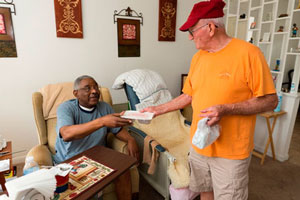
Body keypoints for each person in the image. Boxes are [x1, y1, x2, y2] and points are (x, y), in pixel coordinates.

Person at [141, 1, 278, 200]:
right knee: (205, 192)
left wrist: (226, 109)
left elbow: (270, 101)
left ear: (211, 28)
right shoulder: (198, 58)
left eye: (192, 31)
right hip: (200, 145)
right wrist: (157, 109)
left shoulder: (249, 54)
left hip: (231, 153)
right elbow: (188, 95)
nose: (189, 37)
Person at [53, 75, 139, 200]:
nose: (94, 91)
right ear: (76, 93)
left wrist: (131, 139)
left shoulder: (104, 107)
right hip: (71, 161)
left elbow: (117, 129)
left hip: (99, 157)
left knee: (123, 170)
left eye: (95, 87)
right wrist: (102, 121)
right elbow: (66, 134)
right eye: (87, 88)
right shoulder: (66, 108)